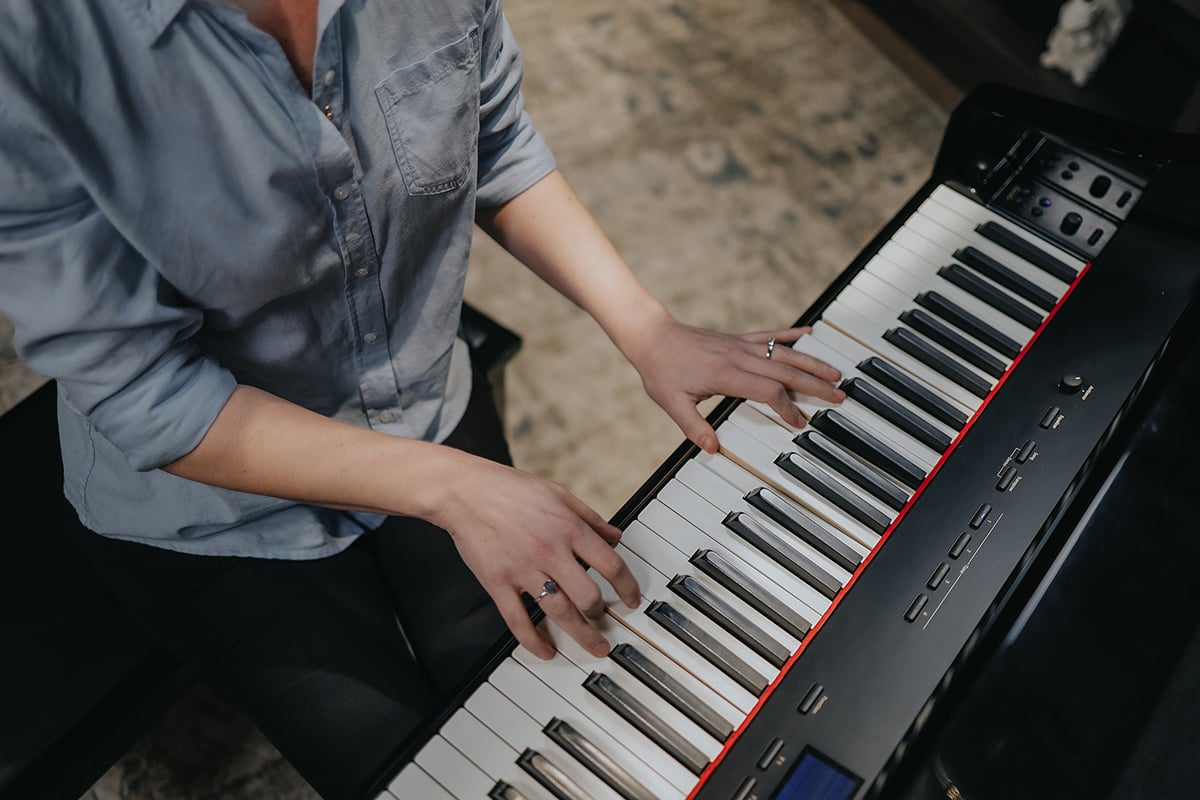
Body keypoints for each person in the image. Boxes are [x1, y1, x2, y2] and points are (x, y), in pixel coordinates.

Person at [0, 0, 844, 797]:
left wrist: (649, 328)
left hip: (426, 409)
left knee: (569, 695)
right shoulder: (30, 44)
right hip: (215, 515)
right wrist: (458, 487)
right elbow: (149, 392)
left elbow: (497, 138)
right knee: (436, 770)